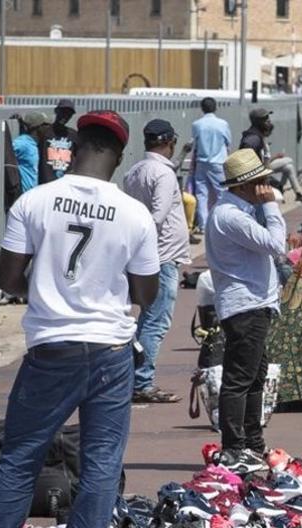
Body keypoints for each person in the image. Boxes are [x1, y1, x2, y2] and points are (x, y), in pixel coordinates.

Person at [0, 110, 160, 528]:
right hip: (111, 350)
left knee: (20, 457)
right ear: (118, 156)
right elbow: (147, 295)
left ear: (73, 149)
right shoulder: (134, 212)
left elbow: (7, 279)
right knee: (100, 461)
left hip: (51, 347)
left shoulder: (35, 202)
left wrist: (49, 284)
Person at [204, 149, 287, 470]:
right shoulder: (231, 216)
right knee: (240, 378)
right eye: (260, 182)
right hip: (245, 306)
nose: (265, 187)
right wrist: (271, 206)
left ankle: (252, 441)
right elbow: (276, 245)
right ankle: (234, 446)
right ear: (242, 186)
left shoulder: (236, 210)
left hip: (254, 303)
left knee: (254, 376)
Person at [124, 118, 192, 404]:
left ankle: (131, 378)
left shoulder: (135, 171)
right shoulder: (162, 175)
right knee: (155, 323)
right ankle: (141, 382)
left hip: (142, 256)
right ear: (169, 141)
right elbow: (158, 216)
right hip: (161, 257)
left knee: (144, 322)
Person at [240, 107, 302, 203]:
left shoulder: (259, 136)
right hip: (255, 186)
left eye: (268, 117)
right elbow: (247, 161)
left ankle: (292, 191)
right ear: (257, 122)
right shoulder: (253, 139)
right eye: (265, 119)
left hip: (260, 183)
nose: (268, 120)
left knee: (288, 166)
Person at [190, 96, 231, 232]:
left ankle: (203, 226)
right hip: (219, 163)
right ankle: (222, 222)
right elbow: (228, 144)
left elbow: (195, 145)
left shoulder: (197, 124)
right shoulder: (223, 124)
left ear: (202, 109)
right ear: (215, 108)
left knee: (202, 195)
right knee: (222, 194)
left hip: (201, 162)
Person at [40, 98, 76, 183]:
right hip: (46, 182)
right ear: (56, 111)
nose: (65, 116)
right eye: (63, 112)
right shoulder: (44, 132)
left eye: (69, 114)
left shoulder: (73, 135)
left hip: (66, 182)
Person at [13, 110, 48, 193]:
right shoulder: (22, 143)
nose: (49, 128)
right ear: (38, 127)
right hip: (23, 195)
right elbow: (5, 153)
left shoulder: (37, 143)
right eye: (46, 125)